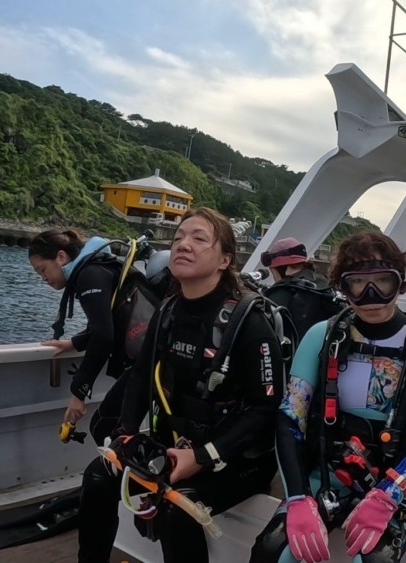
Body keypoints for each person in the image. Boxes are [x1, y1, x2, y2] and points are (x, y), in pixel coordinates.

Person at [77, 207, 286, 563]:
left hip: (236, 459)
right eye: (178, 238)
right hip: (176, 444)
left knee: (177, 509)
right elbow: (141, 376)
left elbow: (265, 408)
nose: (183, 244)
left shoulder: (248, 323)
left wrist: (203, 456)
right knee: (99, 475)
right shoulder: (169, 310)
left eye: (199, 238)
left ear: (225, 260)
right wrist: (126, 433)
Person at [251, 231, 406, 563]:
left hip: (395, 480)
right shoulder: (323, 336)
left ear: (400, 283)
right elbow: (290, 417)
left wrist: (389, 495)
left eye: (383, 282)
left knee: (375, 559)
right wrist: (298, 498)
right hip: (328, 473)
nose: (370, 295)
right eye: (357, 282)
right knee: (272, 551)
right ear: (342, 287)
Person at [29, 229, 128, 445]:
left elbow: (103, 336)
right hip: (149, 361)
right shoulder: (98, 267)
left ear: (61, 257)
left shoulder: (89, 275)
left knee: (103, 427)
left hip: (146, 366)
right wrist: (74, 342)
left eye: (42, 270)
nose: (43, 278)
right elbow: (108, 321)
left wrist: (78, 394)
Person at [260, 237, 344, 340]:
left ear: (282, 268)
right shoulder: (325, 286)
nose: (274, 279)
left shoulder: (279, 294)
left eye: (273, 272)